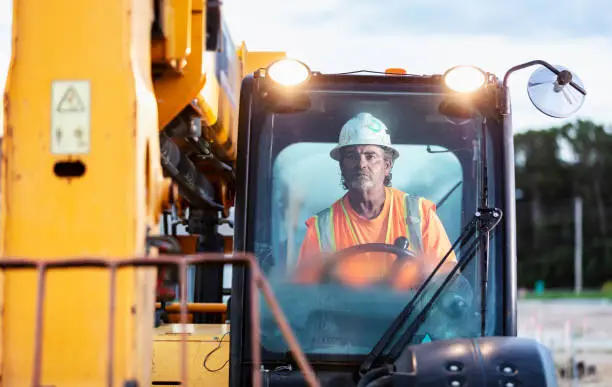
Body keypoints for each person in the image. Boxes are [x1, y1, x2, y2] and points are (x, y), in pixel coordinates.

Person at [294, 112, 457, 290]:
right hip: (343, 316)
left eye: (370, 156)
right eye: (351, 156)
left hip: (411, 316)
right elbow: (303, 294)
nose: (361, 164)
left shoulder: (420, 214)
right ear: (341, 166)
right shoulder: (321, 228)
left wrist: (431, 273)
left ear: (387, 166)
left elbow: (449, 274)